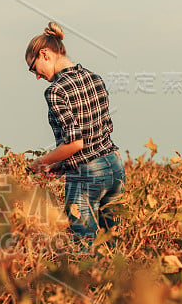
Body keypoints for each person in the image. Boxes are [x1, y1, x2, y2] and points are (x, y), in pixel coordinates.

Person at [25, 22, 125, 242]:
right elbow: (93, 136)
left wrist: (41, 162)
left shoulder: (56, 91)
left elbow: (76, 143)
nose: (37, 76)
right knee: (112, 240)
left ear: (45, 54)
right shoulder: (95, 78)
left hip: (86, 173)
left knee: (85, 242)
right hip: (114, 166)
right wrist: (60, 165)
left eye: (33, 68)